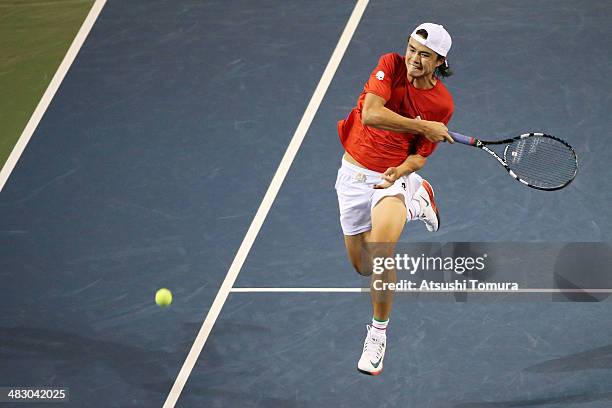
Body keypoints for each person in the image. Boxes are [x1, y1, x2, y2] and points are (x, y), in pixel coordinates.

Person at [335, 22, 455, 375]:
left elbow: (420, 156)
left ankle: (378, 333)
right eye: (412, 49)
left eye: (425, 55)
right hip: (353, 177)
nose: (414, 59)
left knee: (382, 253)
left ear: (439, 61)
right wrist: (423, 126)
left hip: (391, 180)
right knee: (363, 267)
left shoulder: (441, 103)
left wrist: (402, 171)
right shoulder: (390, 65)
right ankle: (420, 200)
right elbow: (371, 114)